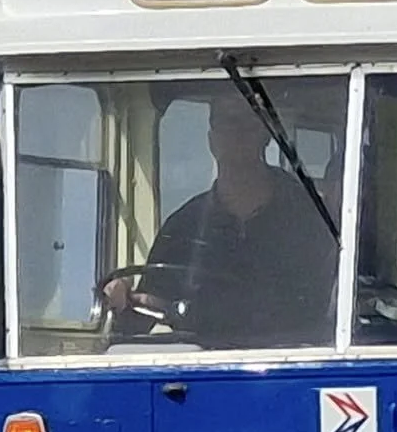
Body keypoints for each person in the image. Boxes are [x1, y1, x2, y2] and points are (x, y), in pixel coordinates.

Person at [102, 97, 336, 347]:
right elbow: (149, 311)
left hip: (297, 365)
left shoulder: (311, 217)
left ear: (265, 134)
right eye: (227, 123)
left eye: (248, 123)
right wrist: (122, 299)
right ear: (212, 139)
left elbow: (333, 305)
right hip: (206, 369)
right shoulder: (183, 227)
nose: (237, 133)